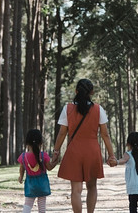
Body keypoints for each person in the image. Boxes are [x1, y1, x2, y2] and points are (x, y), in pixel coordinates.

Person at [52, 78, 116, 213]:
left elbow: (62, 134)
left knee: (76, 190)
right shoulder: (99, 110)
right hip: (92, 151)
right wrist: (111, 155)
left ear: (76, 91)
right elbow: (105, 135)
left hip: (74, 151)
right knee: (92, 187)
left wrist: (56, 151)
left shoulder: (67, 109)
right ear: (91, 92)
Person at [18, 129, 58, 213]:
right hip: (42, 185)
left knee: (28, 204)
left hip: (30, 185)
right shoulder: (44, 156)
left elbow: (22, 168)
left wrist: (21, 177)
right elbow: (49, 167)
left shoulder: (23, 156)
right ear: (41, 143)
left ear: (27, 143)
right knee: (42, 206)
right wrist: (55, 162)